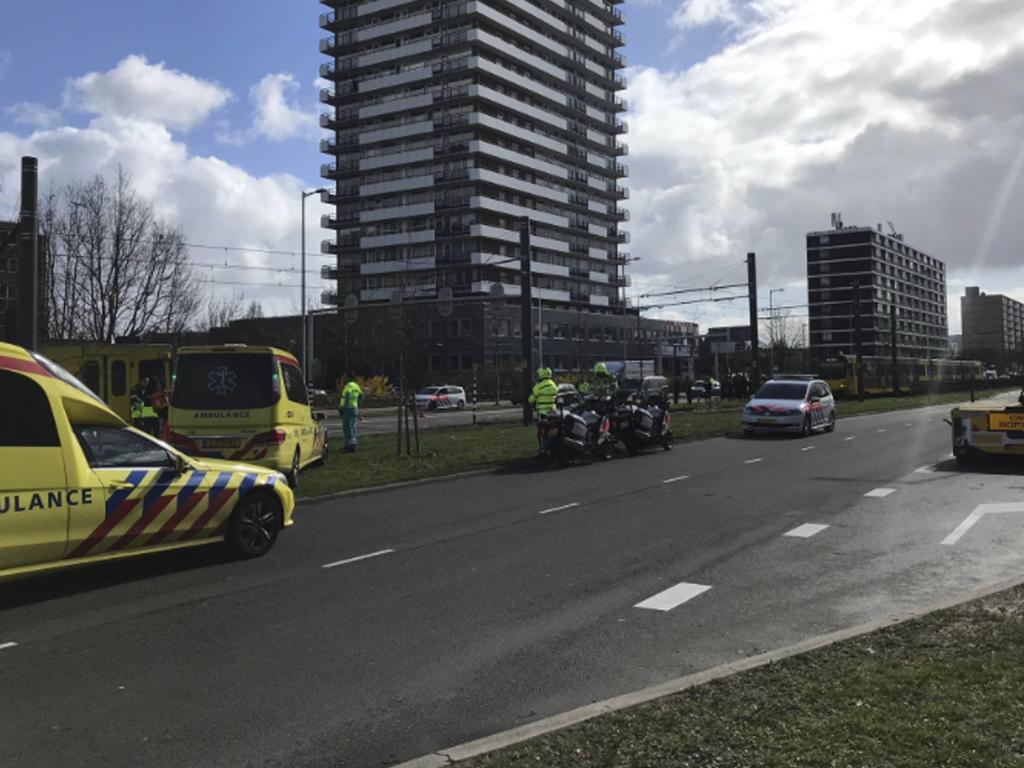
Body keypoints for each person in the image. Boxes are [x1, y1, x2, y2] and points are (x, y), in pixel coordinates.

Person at [528, 367, 559, 455]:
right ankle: (553, 448)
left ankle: (542, 449)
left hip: (542, 413)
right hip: (553, 412)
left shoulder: (538, 386)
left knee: (541, 432)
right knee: (553, 431)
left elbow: (531, 400)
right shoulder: (553, 384)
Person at [338, 374, 364, 453]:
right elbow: (362, 396)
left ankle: (349, 446)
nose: (342, 380)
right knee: (352, 426)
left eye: (344, 379)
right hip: (354, 408)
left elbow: (347, 396)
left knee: (347, 427)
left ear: (347, 379)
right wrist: (357, 403)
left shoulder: (348, 386)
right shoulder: (356, 386)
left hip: (347, 409)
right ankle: (352, 444)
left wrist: (343, 407)